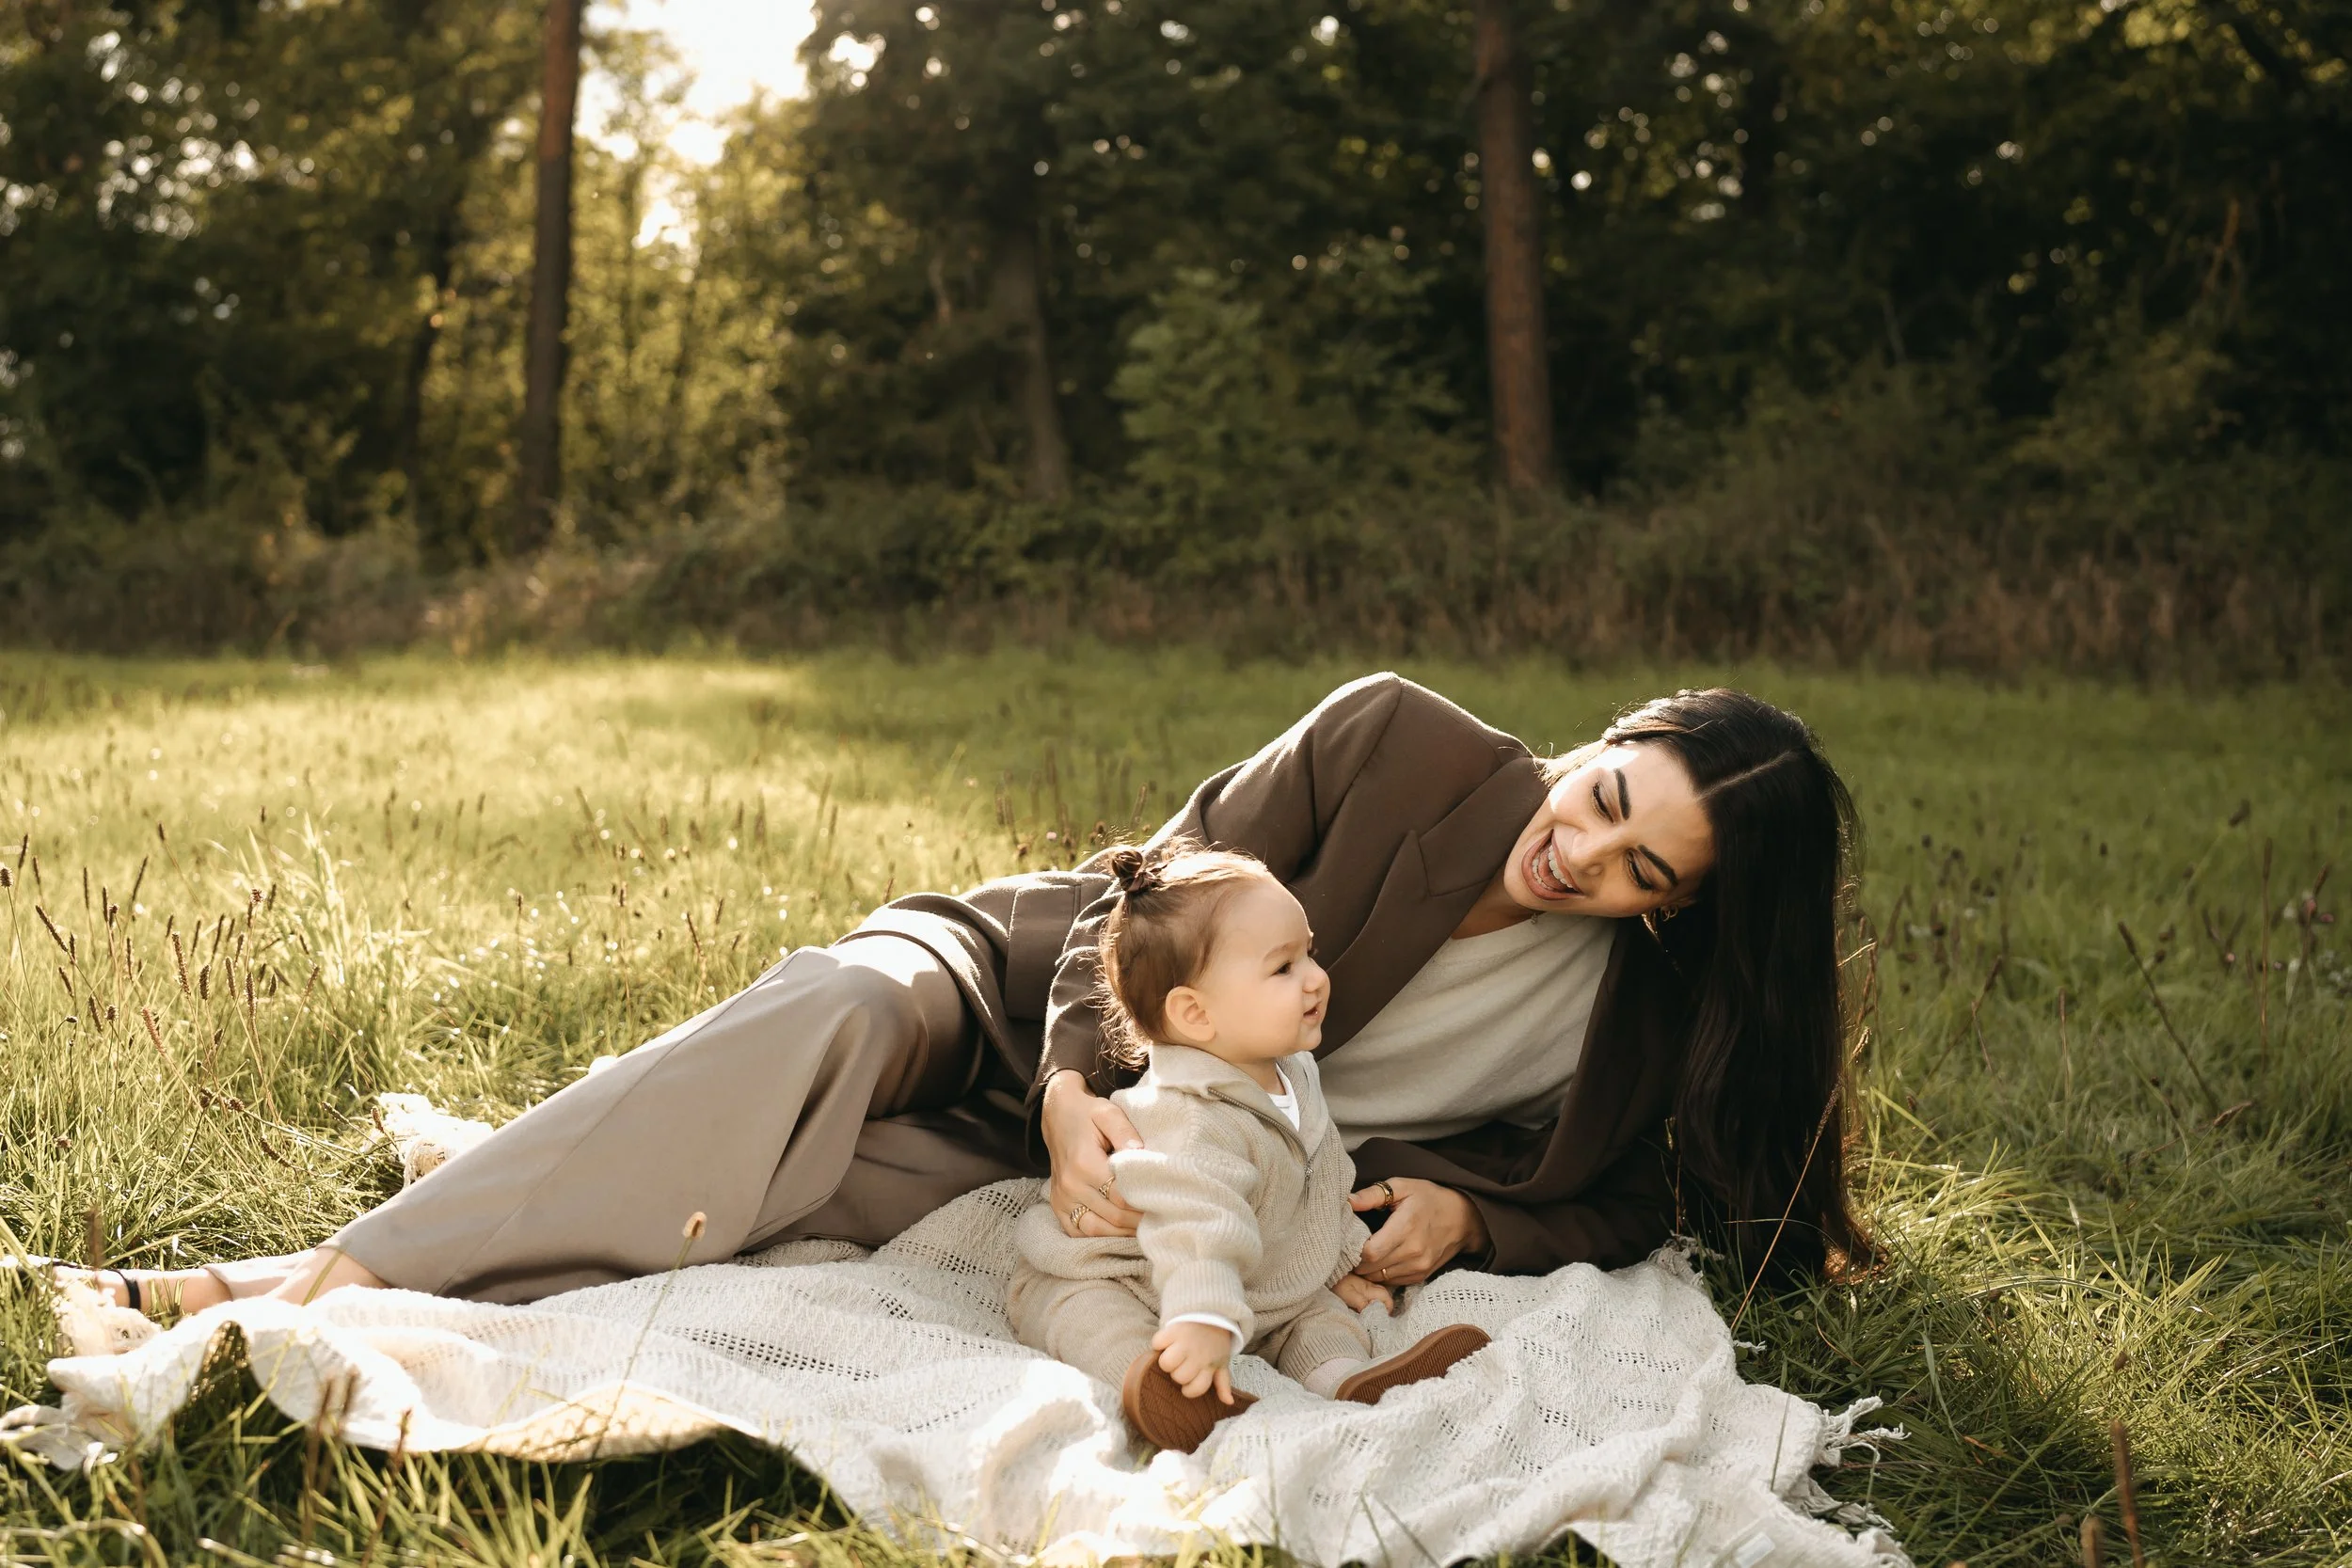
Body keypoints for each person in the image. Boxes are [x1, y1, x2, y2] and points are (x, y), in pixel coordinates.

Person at [40, 673, 1867, 1321]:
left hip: (1128, 1178)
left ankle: (403, 1271)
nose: (1584, 854)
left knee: (750, 1202)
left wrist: (1483, 1209)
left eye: (1645, 870)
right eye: (1608, 797)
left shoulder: (1614, 1021)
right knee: (818, 1026)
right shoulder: (1398, 742)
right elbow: (1135, 900)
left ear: (1685, 914)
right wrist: (1078, 1076)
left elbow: (1663, 1197)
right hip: (1014, 995)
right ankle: (299, 1276)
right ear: (1611, 737)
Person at [1009, 842, 1489, 1452]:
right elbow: (1199, 1225)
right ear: (1195, 1014)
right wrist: (1203, 1317)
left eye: (1308, 952)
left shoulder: (1290, 1066)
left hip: (1257, 1279)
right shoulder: (1190, 1114)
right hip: (1131, 1274)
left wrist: (1339, 1260)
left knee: (1314, 1314)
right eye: (1283, 967)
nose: (1316, 978)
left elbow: (1322, 1173)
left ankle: (1346, 1380)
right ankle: (1157, 1389)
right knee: (1090, 1318)